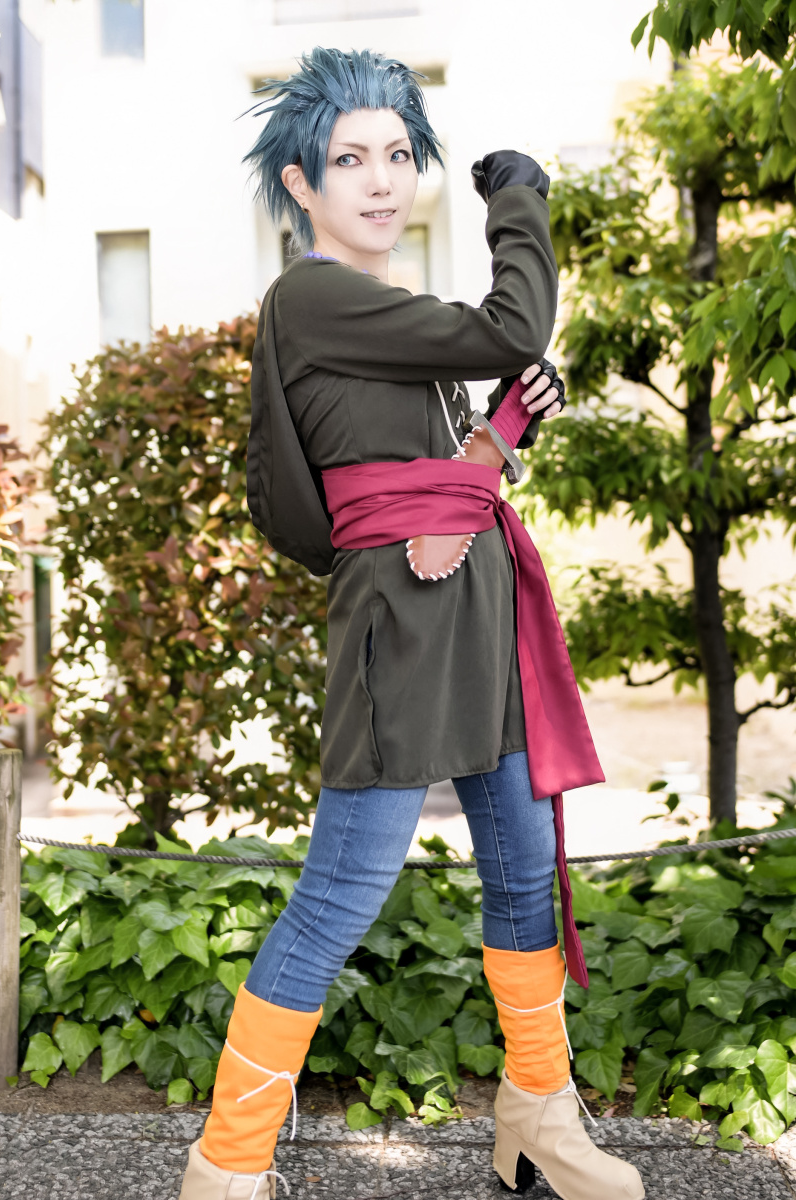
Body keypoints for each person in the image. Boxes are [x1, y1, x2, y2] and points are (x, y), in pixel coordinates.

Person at [178, 46, 645, 1200]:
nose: (381, 180)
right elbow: (511, 323)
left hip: (482, 617)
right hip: (400, 632)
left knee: (521, 874)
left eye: (397, 153)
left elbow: (438, 473)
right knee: (339, 894)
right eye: (349, 160)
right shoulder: (316, 296)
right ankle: (226, 1166)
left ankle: (535, 1116)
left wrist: (494, 437)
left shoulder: (388, 319)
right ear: (301, 184)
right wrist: (518, 196)